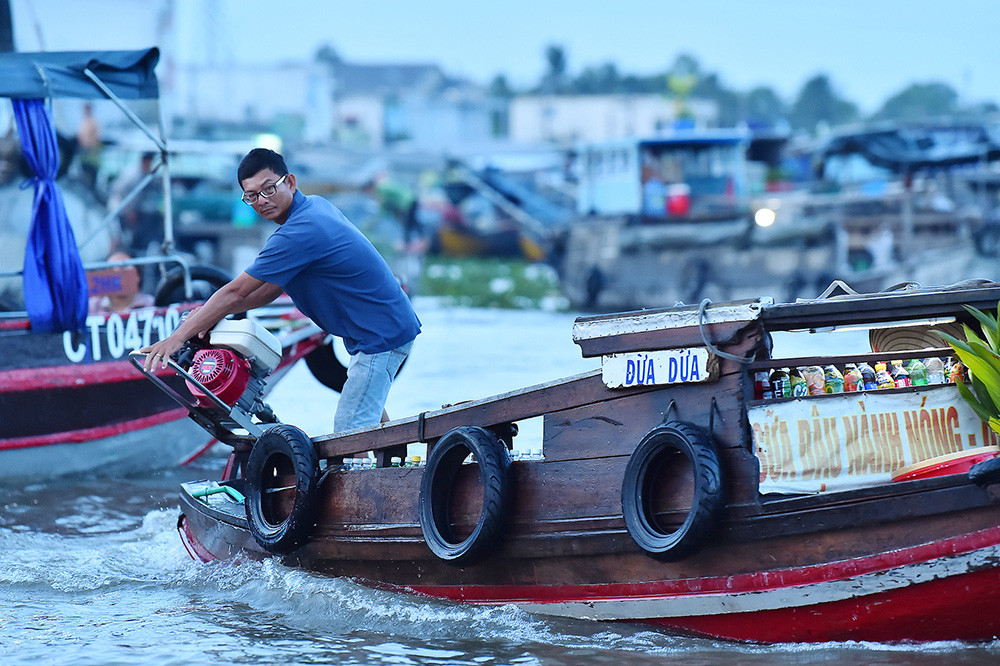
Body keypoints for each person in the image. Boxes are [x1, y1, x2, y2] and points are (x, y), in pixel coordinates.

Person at [141, 148, 421, 433]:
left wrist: (177, 338)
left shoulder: (299, 231)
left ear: (290, 182)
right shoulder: (313, 207)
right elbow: (267, 292)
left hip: (381, 337)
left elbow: (236, 291)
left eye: (268, 189)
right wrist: (209, 316)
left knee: (350, 431)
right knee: (364, 408)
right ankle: (395, 466)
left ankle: (369, 474)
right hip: (378, 331)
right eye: (251, 196)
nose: (261, 201)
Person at [108, 151, 161, 257]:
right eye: (149, 162)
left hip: (129, 210)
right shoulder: (132, 174)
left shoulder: (145, 174)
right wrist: (128, 212)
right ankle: (110, 259)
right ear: (144, 161)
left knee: (129, 237)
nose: (150, 165)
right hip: (118, 207)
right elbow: (118, 192)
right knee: (116, 237)